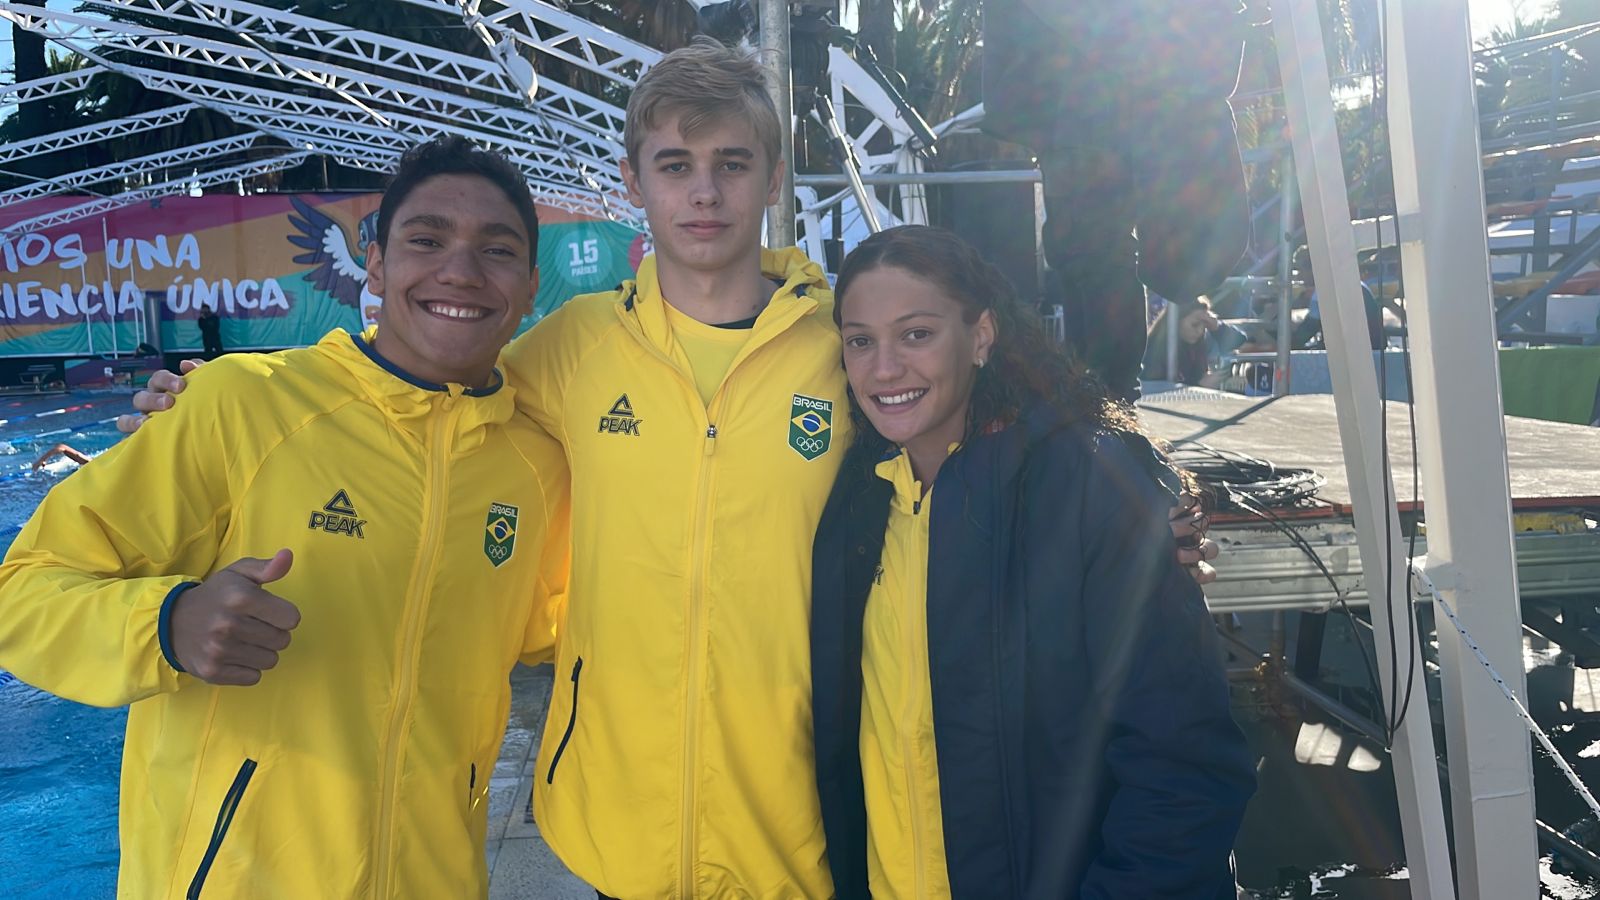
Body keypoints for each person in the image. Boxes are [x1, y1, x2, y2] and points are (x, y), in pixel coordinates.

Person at [120, 40, 1219, 899]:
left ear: (773, 178)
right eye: (676, 166)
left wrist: (1137, 511)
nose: (704, 194)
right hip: (619, 824)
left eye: (731, 165)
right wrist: (205, 405)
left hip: (799, 819)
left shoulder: (838, 346)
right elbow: (417, 399)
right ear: (632, 181)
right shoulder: (566, 349)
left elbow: (993, 428)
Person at [0, 137, 570, 899]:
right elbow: (27, 589)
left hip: (434, 875)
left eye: (496, 251)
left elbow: (553, 623)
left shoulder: (535, 462)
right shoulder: (242, 405)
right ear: (374, 263)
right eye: (426, 240)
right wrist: (166, 624)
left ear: (531, 287)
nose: (459, 271)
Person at [811, 226, 1255, 899]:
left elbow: (1184, 766)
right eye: (860, 340)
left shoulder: (1088, 486)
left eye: (916, 334)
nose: (884, 368)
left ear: (982, 336)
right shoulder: (856, 503)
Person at [982, 0, 1252, 402]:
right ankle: (1104, 401)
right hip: (1086, 111)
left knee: (1091, 253)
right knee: (1085, 252)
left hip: (1099, 109)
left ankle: (1107, 401)